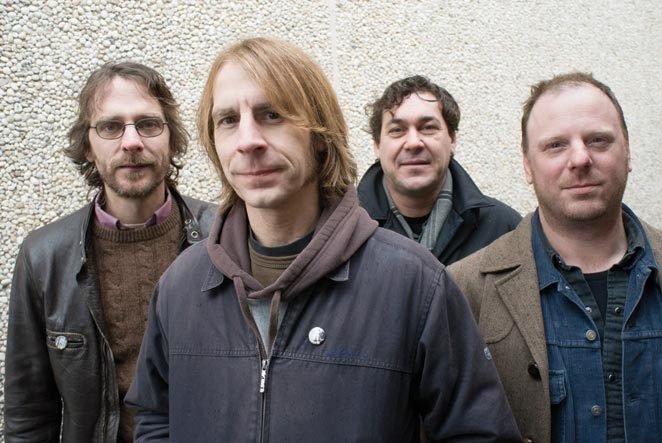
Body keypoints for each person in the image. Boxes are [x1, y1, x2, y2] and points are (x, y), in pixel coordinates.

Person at [125, 38, 521, 442]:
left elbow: (479, 433)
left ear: (320, 134)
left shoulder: (416, 284)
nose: (247, 140)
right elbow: (156, 419)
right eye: (228, 119)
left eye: (272, 114)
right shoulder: (180, 287)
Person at [4, 62, 217, 442]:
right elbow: (29, 413)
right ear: (88, 146)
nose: (131, 142)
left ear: (171, 139)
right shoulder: (43, 257)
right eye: (110, 127)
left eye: (148, 124)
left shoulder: (224, 237)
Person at [449, 72, 662, 443]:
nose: (580, 158)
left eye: (598, 140)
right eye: (555, 145)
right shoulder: (465, 288)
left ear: (628, 152)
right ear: (527, 165)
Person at [358, 75, 521, 265]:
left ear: (452, 140)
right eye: (397, 130)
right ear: (377, 145)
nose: (413, 143)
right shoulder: (346, 230)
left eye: (427, 128)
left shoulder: (503, 230)